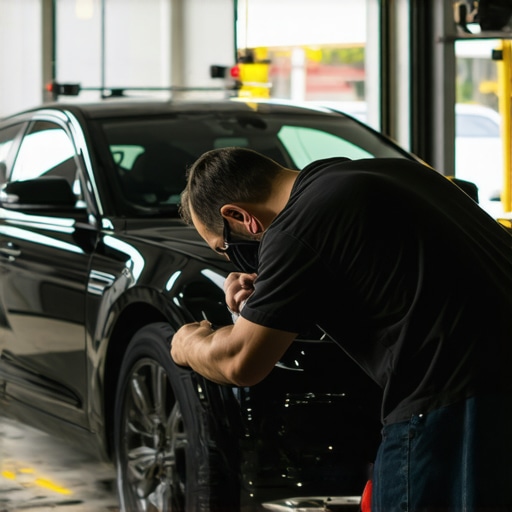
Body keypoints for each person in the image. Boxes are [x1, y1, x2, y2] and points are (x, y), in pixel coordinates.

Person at [170, 147, 512, 512]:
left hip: (454, 404)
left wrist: (187, 343)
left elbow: (241, 362)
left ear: (238, 216)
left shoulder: (297, 226)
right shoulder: (395, 175)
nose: (234, 256)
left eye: (224, 247)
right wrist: (275, 295)